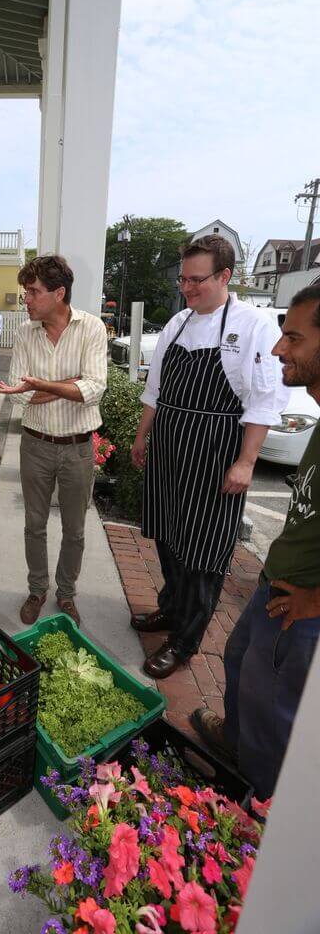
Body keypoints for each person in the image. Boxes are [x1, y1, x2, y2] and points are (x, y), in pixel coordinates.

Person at [130, 235, 288, 679]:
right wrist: (143, 436)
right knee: (167, 535)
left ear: (225, 276)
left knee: (203, 550)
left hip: (214, 454)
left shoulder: (252, 325)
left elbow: (262, 400)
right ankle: (171, 608)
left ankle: (185, 641)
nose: (187, 287)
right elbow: (155, 390)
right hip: (168, 450)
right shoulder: (178, 323)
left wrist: (247, 461)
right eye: (183, 278)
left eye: (196, 279)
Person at [191, 285, 320, 800]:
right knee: (238, 657)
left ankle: (251, 808)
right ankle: (234, 740)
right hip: (275, 585)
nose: (277, 349)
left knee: (273, 716)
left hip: (300, 606)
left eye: (293, 337)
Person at [0, 255, 108, 625]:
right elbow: (18, 395)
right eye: (26, 291)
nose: (25, 299)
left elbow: (94, 388)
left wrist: (42, 384)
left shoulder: (91, 328)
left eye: (33, 292)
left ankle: (67, 593)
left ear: (58, 293)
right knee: (34, 525)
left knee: (75, 529)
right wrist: (68, 385)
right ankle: (37, 590)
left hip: (77, 447)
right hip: (36, 444)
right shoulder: (26, 333)